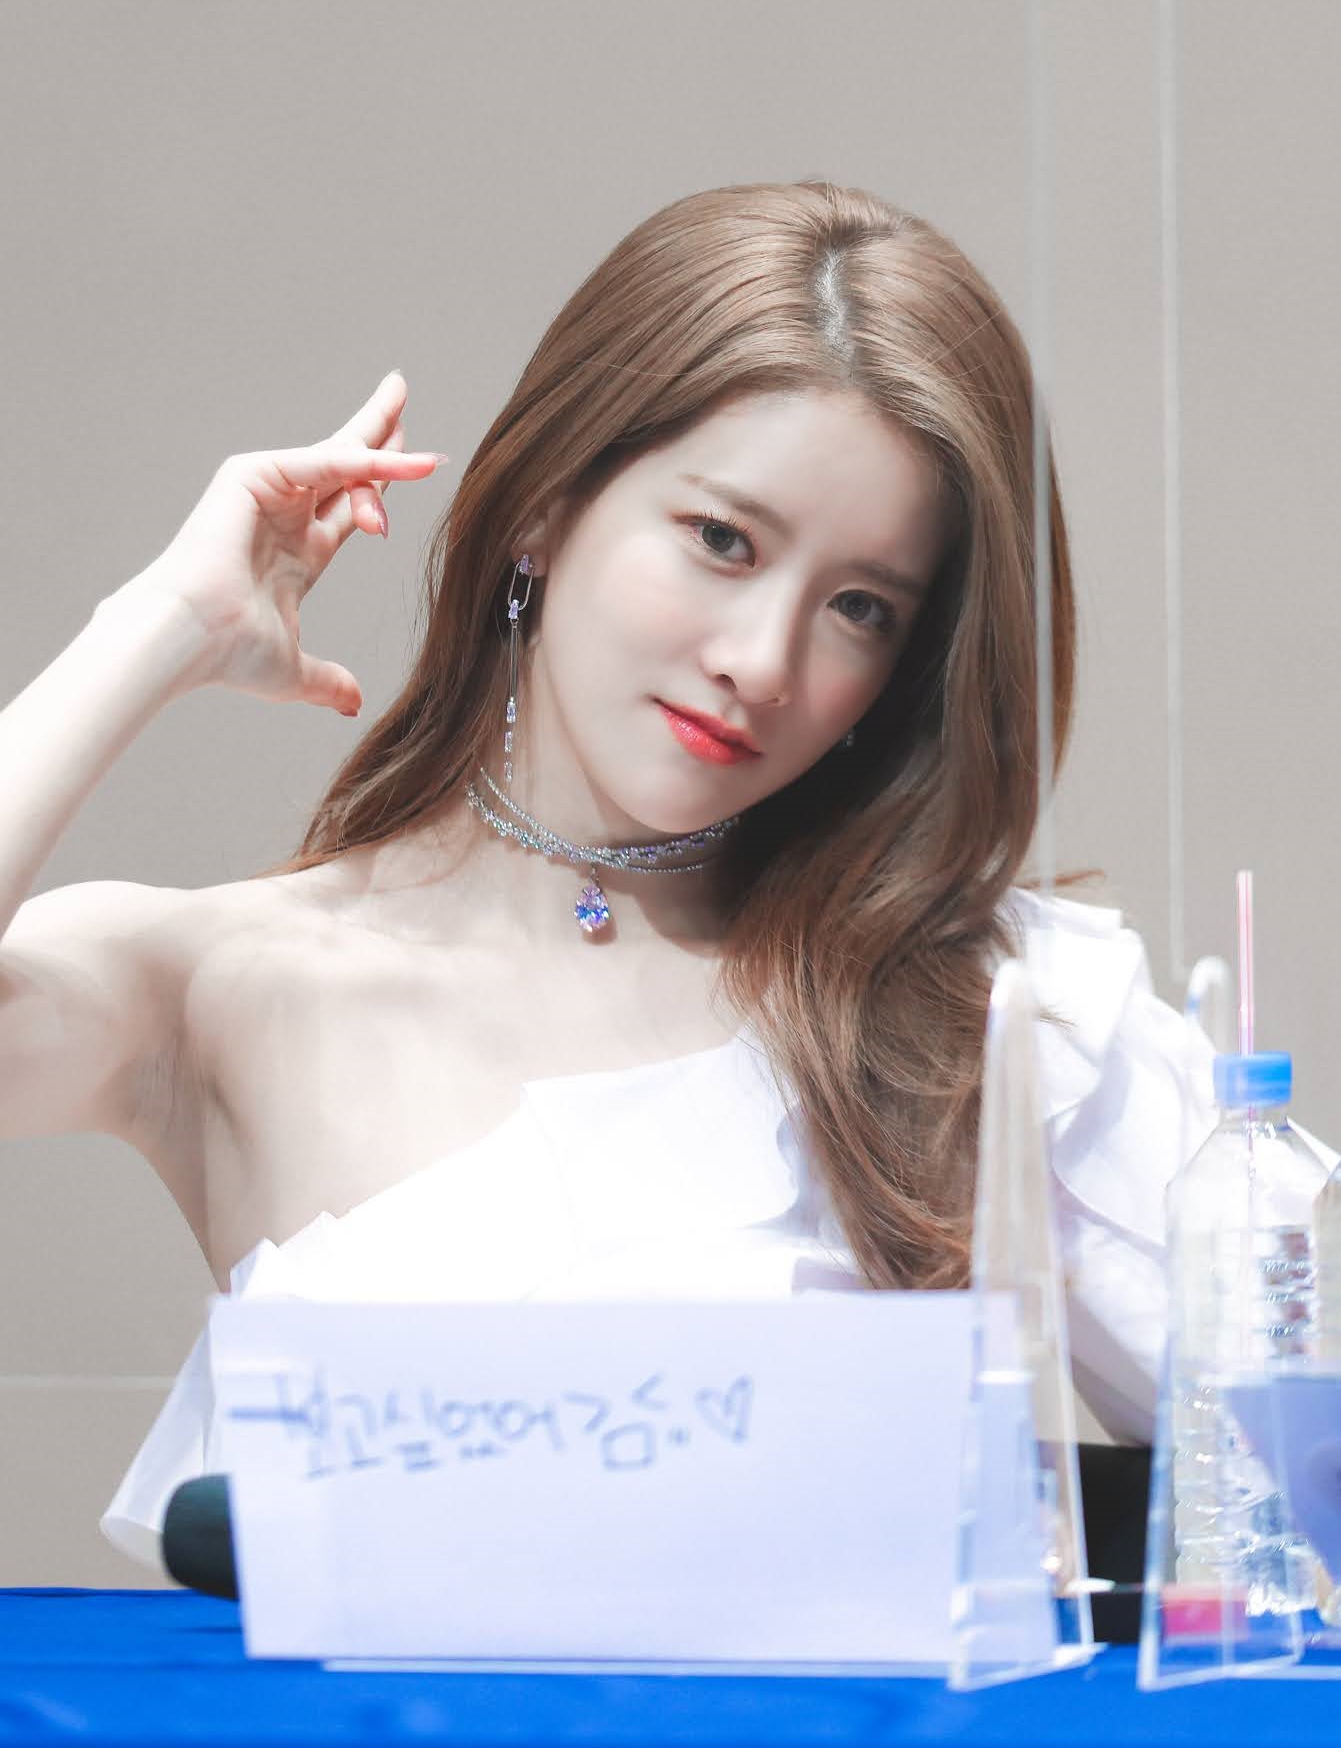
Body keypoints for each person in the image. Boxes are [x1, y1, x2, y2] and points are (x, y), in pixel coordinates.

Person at [0, 180, 1231, 1575]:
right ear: (544, 504)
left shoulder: (981, 1012)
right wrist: (160, 624)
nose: (762, 661)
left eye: (860, 607)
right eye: (722, 540)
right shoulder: (221, 982)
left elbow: (1289, 1441)